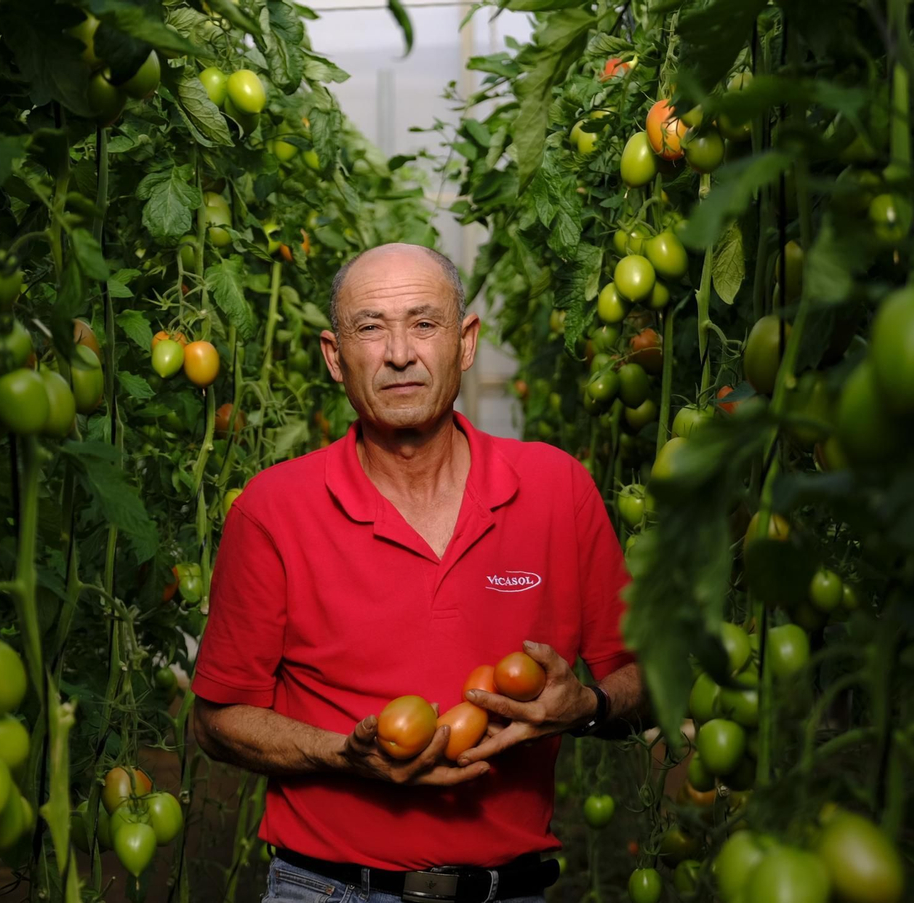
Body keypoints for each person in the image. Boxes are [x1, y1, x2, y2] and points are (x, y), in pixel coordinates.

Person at [191, 243, 644, 903]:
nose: (399, 352)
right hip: (324, 888)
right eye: (370, 327)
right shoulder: (271, 509)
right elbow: (216, 719)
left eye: (424, 323)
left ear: (464, 342)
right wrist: (342, 753)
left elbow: (643, 681)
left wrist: (587, 706)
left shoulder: (556, 489)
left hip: (510, 891)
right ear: (334, 355)